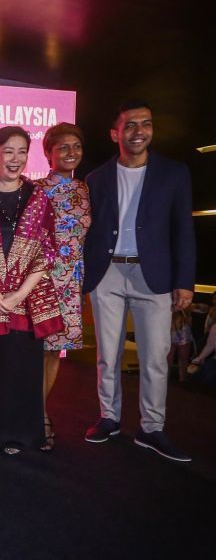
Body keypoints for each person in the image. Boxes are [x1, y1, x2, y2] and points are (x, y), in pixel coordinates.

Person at [83, 100, 195, 462]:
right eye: (130, 125)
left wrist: (185, 281)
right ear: (115, 133)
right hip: (109, 272)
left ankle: (151, 428)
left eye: (146, 124)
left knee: (155, 357)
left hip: (155, 275)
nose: (139, 131)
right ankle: (109, 418)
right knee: (107, 353)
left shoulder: (174, 173)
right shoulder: (96, 178)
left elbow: (183, 230)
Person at [0, 126, 63, 456]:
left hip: (25, 300)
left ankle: (17, 435)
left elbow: (47, 251)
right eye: (7, 151)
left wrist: (17, 295)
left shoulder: (39, 199)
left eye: (22, 151)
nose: (15, 159)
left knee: (19, 368)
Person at [34, 123, 91, 451]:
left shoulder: (85, 188)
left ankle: (39, 411)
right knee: (33, 350)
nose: (71, 153)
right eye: (63, 147)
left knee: (54, 351)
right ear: (48, 153)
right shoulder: (36, 189)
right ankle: (33, 415)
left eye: (77, 147)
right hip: (41, 281)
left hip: (71, 283)